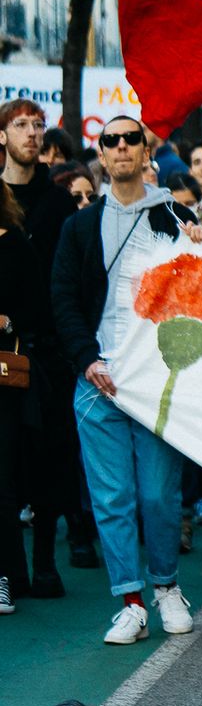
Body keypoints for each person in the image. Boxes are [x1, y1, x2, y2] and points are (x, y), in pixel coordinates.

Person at [48, 115, 202, 644]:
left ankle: (167, 587)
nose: (120, 147)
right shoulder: (79, 226)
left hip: (155, 379)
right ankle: (132, 600)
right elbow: (64, 298)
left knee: (160, 496)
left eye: (130, 139)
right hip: (98, 380)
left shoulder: (173, 216)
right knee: (111, 497)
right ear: (101, 152)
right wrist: (86, 360)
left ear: (147, 151)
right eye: (110, 140)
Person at [3, 100, 94, 582]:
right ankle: (15, 566)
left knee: (53, 453)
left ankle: (46, 559)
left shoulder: (59, 203)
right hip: (5, 351)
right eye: (21, 125)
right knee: (8, 457)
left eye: (39, 125)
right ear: (3, 137)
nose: (33, 133)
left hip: (51, 348)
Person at [0, 183, 50, 611]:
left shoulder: (15, 245)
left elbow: (38, 308)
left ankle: (6, 576)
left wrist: (8, 319)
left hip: (4, 378)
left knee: (2, 480)